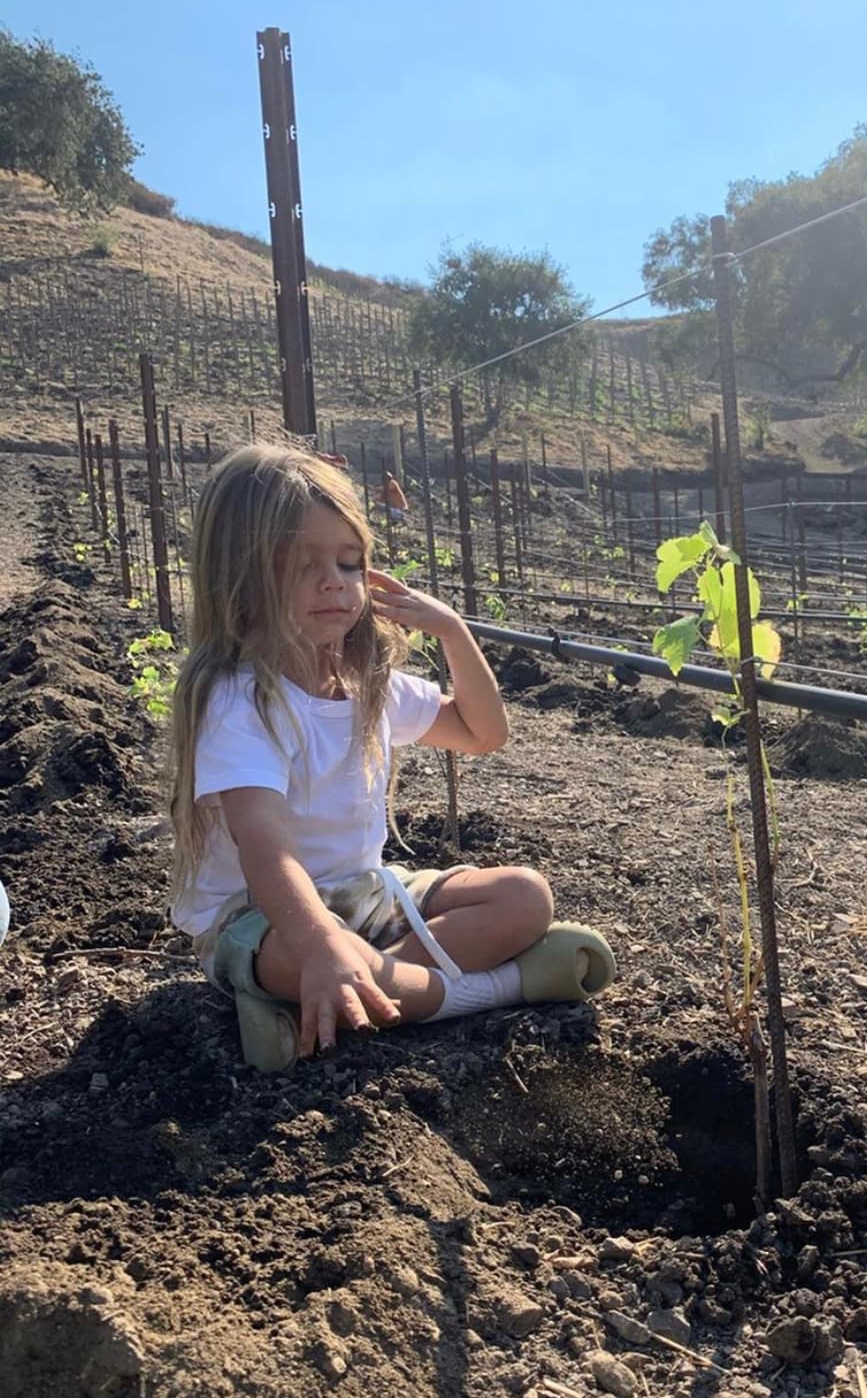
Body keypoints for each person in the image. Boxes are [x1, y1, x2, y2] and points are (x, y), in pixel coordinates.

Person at [168, 443, 614, 1072]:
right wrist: (321, 941)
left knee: (523, 895)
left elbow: (482, 732)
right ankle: (495, 988)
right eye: (301, 567)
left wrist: (452, 630)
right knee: (302, 960)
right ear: (240, 578)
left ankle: (349, 995)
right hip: (262, 914)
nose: (335, 583)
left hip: (365, 894)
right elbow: (262, 846)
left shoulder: (365, 684)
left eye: (350, 563)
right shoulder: (239, 701)